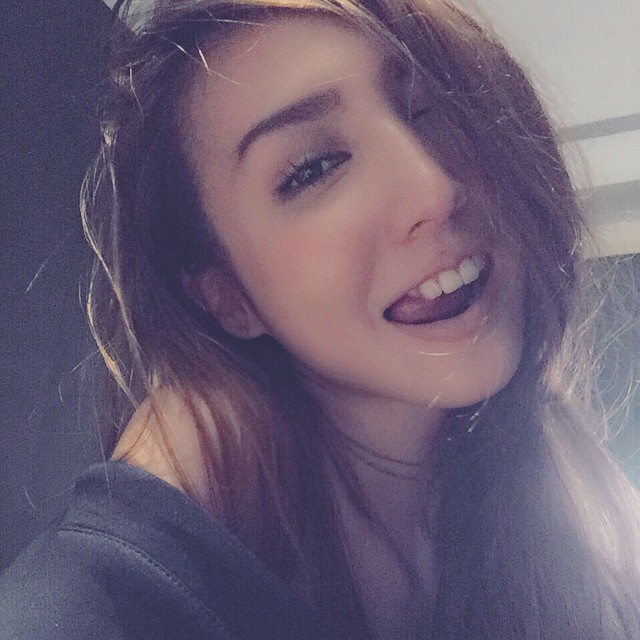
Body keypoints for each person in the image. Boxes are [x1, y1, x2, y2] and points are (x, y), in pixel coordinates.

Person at [1, 0, 639, 638]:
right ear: (228, 296)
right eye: (312, 169)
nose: (436, 188)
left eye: (436, 110)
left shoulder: (580, 518)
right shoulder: (100, 604)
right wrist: (148, 535)